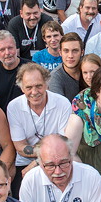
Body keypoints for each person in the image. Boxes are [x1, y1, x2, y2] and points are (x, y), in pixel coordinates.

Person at [7, 63, 71, 191]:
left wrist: (38, 162)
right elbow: (20, 147)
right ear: (22, 88)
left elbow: (64, 144)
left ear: (47, 84)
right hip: (25, 162)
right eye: (29, 87)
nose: (34, 92)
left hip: (58, 161)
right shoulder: (14, 107)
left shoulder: (63, 103)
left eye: (39, 86)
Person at [65, 65, 101, 180]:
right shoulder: (78, 118)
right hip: (87, 175)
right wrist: (90, 178)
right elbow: (69, 154)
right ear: (97, 90)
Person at [49, 33, 84, 102]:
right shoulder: (55, 76)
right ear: (60, 52)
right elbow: (59, 105)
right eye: (66, 51)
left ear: (82, 52)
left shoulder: (89, 70)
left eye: (75, 51)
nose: (70, 56)